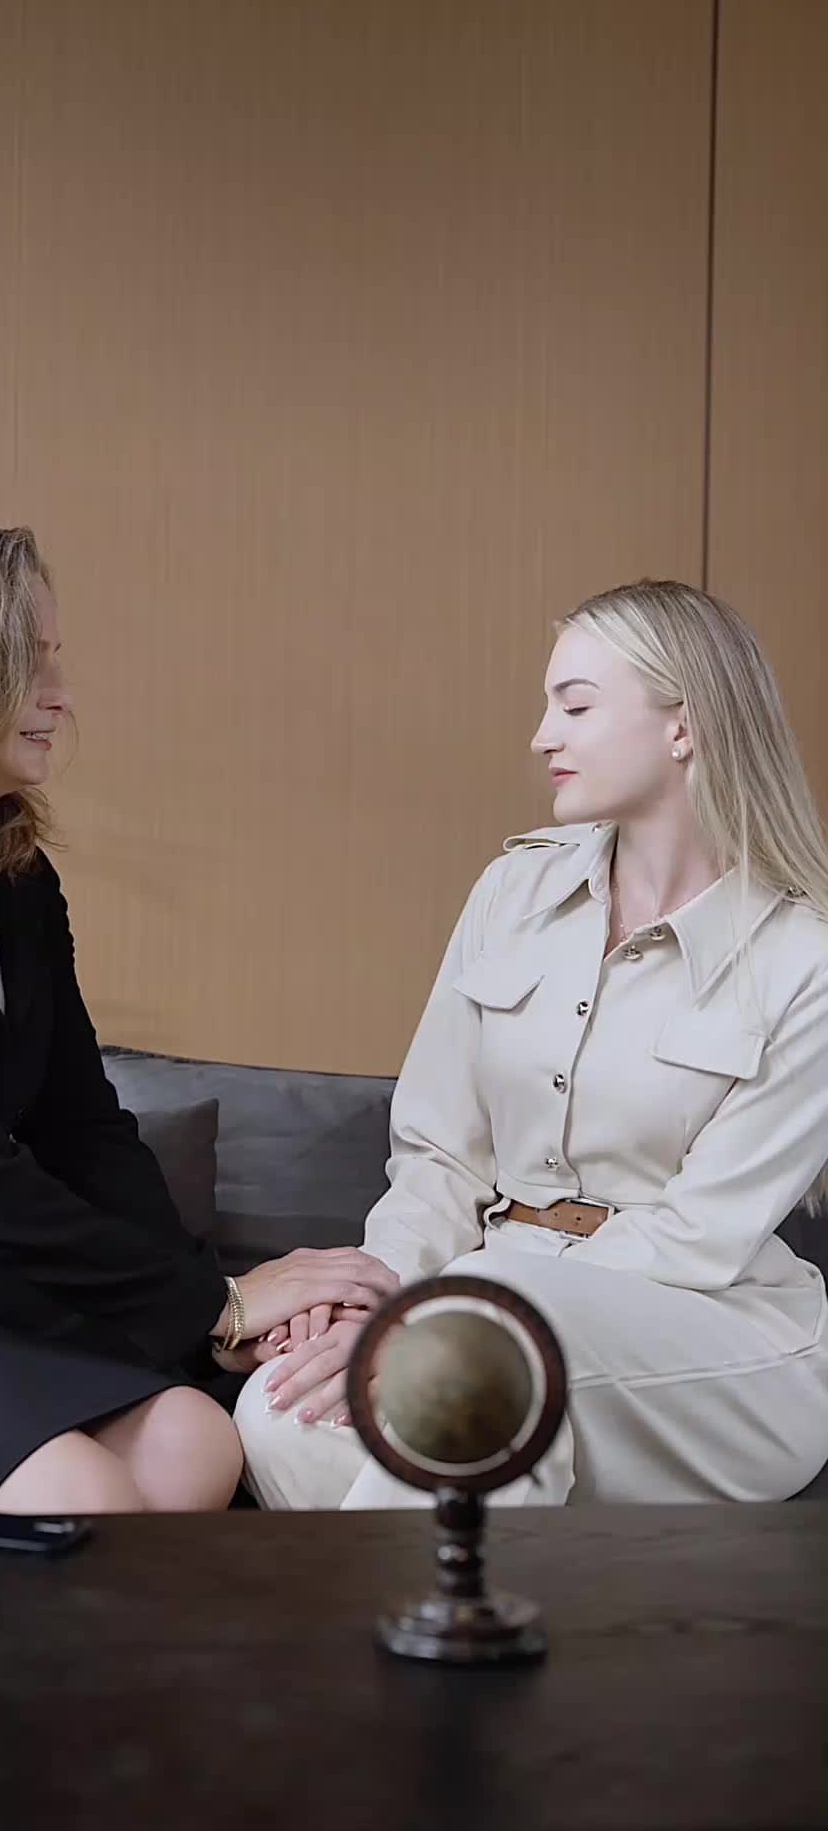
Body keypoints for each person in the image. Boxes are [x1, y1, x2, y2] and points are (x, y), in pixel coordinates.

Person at [0, 519, 397, 1519]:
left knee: (195, 1442)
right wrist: (215, 1302)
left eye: (56, 659)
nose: (61, 695)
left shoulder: (15, 878)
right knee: (84, 1491)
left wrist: (209, 1311)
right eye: (30, 661)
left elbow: (81, 1128)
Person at [236, 578, 828, 1509]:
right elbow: (439, 1155)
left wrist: (444, 1318)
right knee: (284, 1406)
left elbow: (698, 1239)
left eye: (575, 706)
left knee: (483, 1352)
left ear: (683, 725)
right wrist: (376, 1298)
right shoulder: (510, 895)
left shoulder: (806, 959)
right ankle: (475, 1595)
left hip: (716, 1346)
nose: (542, 735)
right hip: (488, 1302)